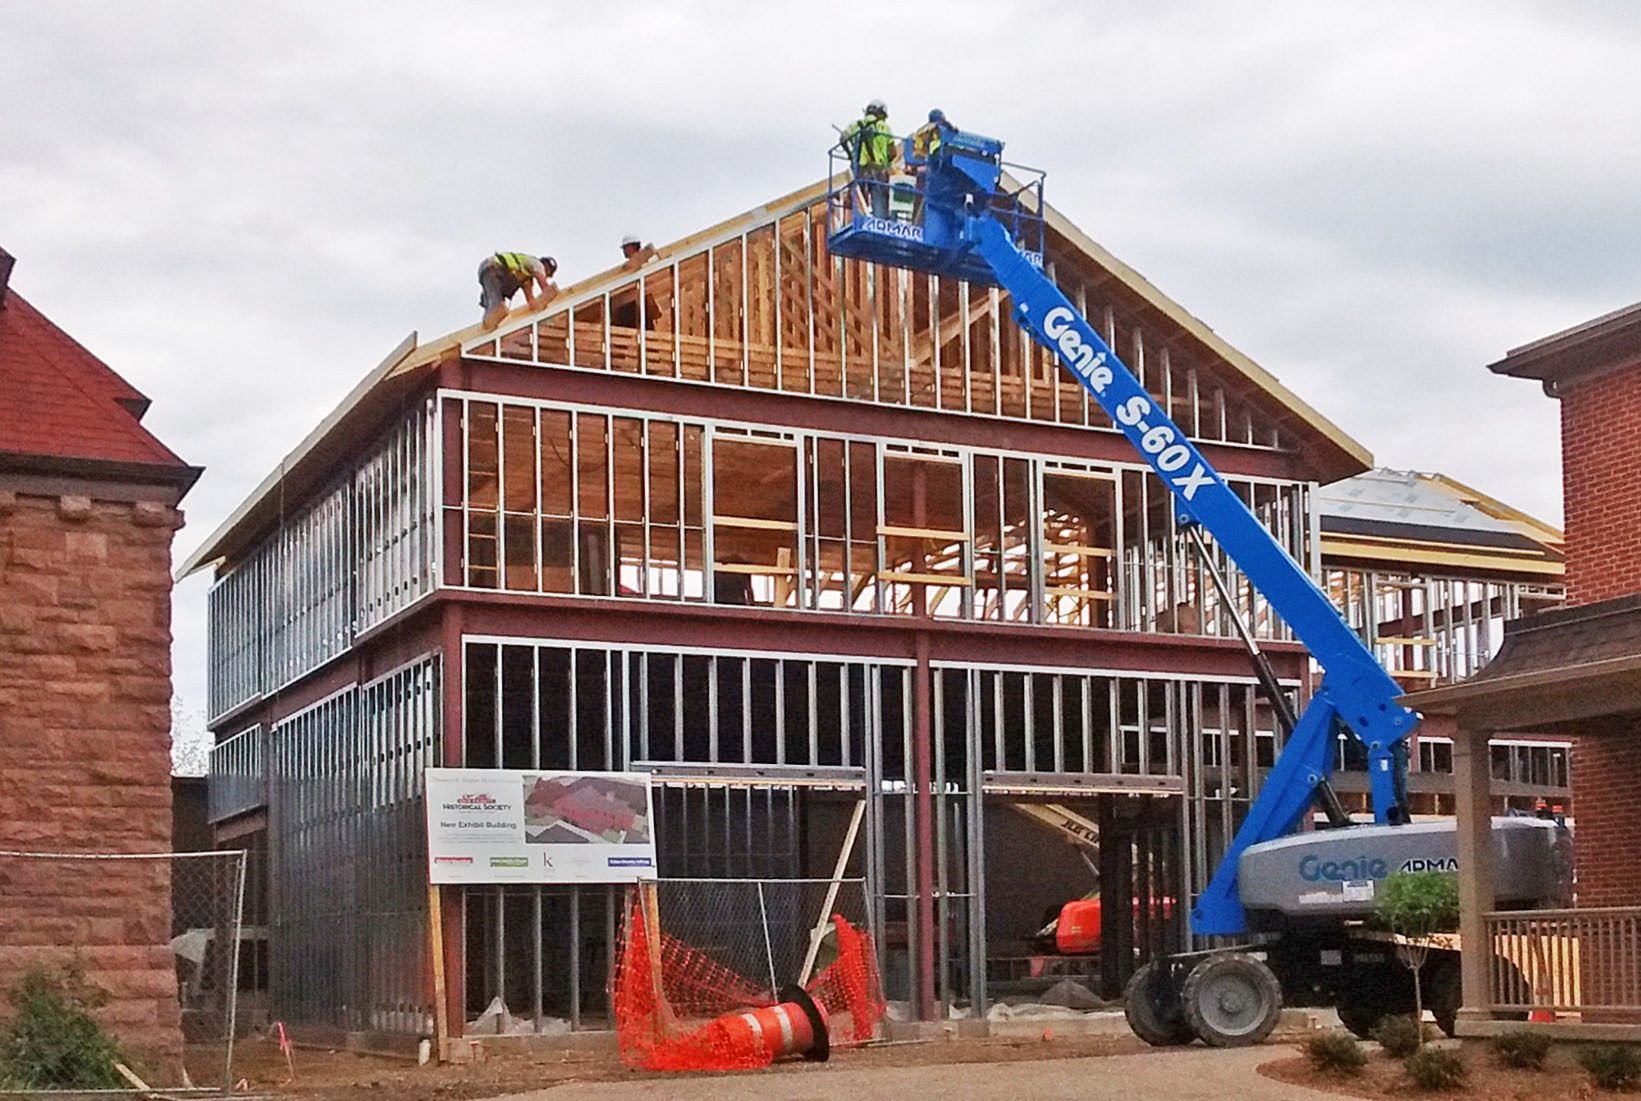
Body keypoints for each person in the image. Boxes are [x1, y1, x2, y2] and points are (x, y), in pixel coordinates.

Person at [840, 99, 895, 218]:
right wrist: (887, 163)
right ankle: (879, 223)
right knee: (879, 201)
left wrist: (850, 155)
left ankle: (860, 219)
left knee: (859, 201)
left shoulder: (857, 125)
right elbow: (892, 153)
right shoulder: (884, 128)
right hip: (878, 170)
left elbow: (843, 137)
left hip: (859, 170)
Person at [478, 252, 557, 330]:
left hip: (492, 273)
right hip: (493, 268)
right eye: (548, 274)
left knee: (495, 306)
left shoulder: (526, 279)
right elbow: (545, 287)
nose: (546, 276)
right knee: (497, 307)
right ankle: (489, 323)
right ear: (546, 267)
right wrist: (553, 296)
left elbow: (531, 301)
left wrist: (538, 309)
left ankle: (486, 325)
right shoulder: (537, 264)